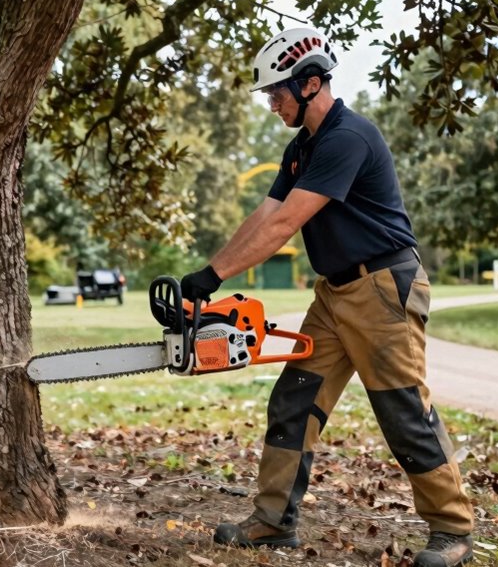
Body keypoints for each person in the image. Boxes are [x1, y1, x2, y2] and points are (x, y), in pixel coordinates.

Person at [179, 28, 475, 567]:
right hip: (334, 293)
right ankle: (272, 521)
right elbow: (267, 215)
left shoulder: (347, 138)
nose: (272, 104)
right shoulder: (303, 148)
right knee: (293, 399)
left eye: (278, 93)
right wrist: (205, 274)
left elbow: (290, 222)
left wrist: (216, 274)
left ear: (311, 83)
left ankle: (453, 531)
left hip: (383, 288)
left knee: (404, 411)